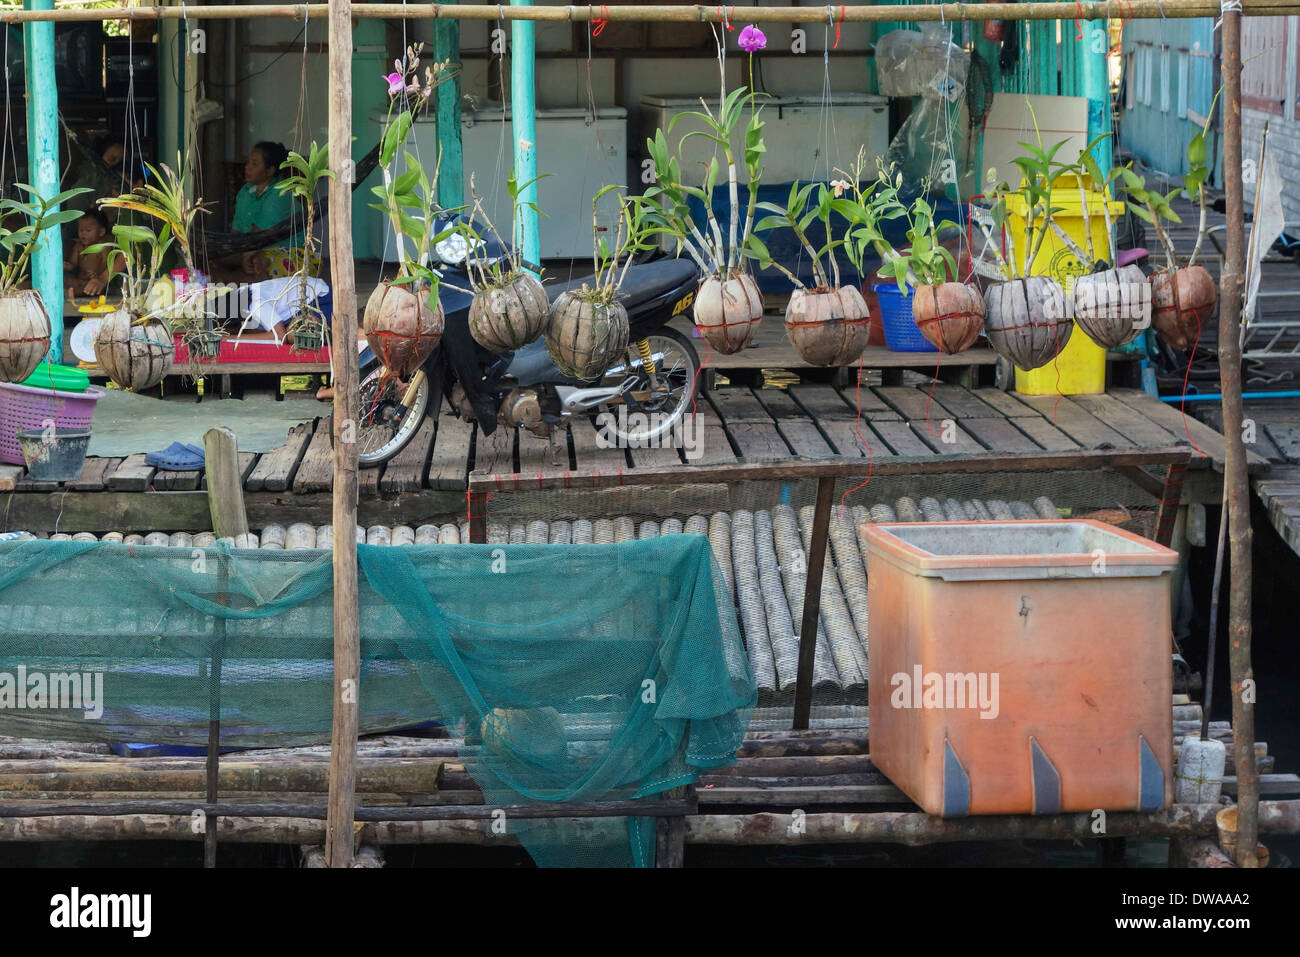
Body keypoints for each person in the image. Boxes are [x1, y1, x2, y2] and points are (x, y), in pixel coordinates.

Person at [216, 141, 317, 282]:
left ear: (270, 171)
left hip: (291, 254)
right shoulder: (246, 192)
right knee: (218, 256)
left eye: (254, 164)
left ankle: (220, 279)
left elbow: (259, 236)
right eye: (248, 162)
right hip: (253, 249)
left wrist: (246, 255)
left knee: (258, 264)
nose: (247, 167)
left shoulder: (279, 193)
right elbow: (235, 234)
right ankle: (224, 278)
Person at [64, 210, 117, 297]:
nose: (83, 233)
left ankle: (72, 293)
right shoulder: (79, 246)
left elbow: (106, 264)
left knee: (90, 287)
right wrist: (67, 265)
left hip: (94, 281)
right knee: (67, 280)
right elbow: (73, 264)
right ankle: (71, 292)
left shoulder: (103, 247)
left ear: (101, 232)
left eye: (88, 230)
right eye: (80, 230)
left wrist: (98, 275)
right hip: (79, 280)